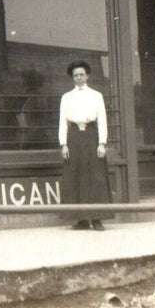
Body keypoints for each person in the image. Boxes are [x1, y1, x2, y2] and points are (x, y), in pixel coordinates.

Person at [59, 60, 113, 230]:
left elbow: (102, 121)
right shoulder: (66, 97)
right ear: (72, 78)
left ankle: (97, 218)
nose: (79, 78)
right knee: (75, 177)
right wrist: (63, 144)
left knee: (95, 177)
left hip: (91, 136)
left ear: (87, 75)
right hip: (74, 137)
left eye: (81, 74)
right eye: (75, 75)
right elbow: (63, 123)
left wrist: (102, 143)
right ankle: (81, 219)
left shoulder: (96, 96)